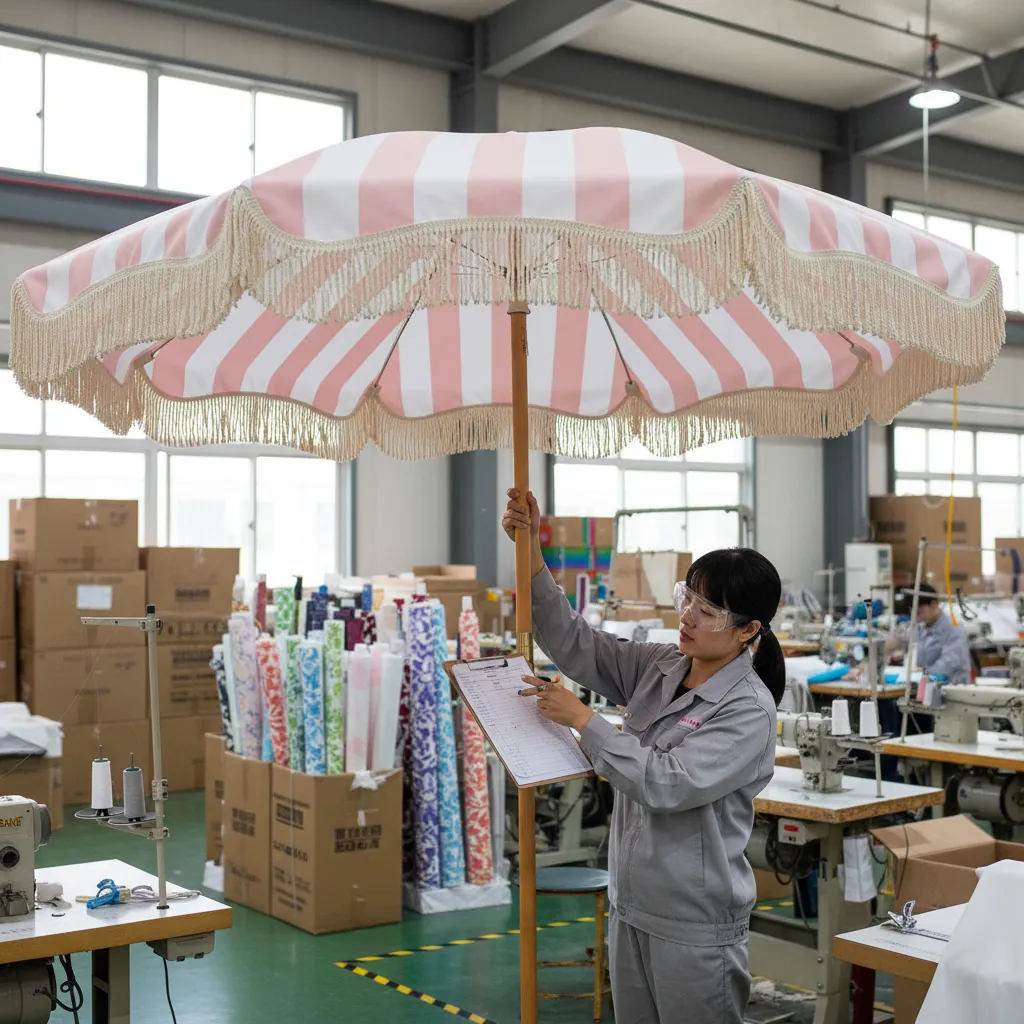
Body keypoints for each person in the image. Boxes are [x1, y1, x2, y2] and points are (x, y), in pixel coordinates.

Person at [502, 488, 783, 1024]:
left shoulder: (748, 710)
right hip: (631, 905)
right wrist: (531, 553)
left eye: (709, 612)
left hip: (694, 924)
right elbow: (573, 642)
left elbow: (668, 784)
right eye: (688, 600)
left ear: (749, 631)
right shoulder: (660, 664)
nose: (689, 619)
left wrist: (585, 721)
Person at [908, 582, 972, 686]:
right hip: (928, 686)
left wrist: (924, 672)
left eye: (920, 612)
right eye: (915, 613)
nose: (918, 617)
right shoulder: (922, 628)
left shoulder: (953, 628)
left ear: (933, 605)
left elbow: (951, 662)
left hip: (954, 687)